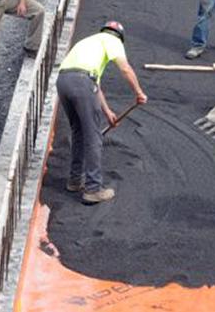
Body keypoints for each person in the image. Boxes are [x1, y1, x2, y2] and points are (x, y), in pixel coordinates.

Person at [57, 21, 148, 204]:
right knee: (93, 137)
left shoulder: (88, 42)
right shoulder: (113, 41)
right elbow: (125, 69)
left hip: (63, 81)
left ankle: (75, 180)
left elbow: (94, 84)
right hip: (82, 83)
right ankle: (93, 189)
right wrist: (138, 92)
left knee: (78, 132)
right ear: (119, 37)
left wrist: (107, 112)